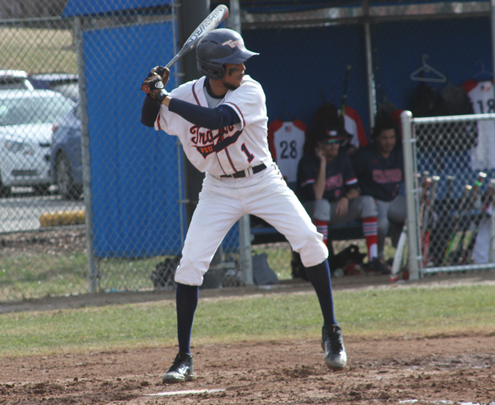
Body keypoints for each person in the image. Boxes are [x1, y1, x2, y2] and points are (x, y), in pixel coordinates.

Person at [140, 28, 347, 383]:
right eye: (234, 63)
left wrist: (164, 97)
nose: (243, 66)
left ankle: (331, 330)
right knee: (189, 266)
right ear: (215, 70)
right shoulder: (186, 93)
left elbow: (217, 119)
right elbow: (149, 119)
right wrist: (153, 92)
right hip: (218, 188)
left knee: (311, 242)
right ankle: (183, 357)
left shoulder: (251, 90)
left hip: (262, 180)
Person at [296, 125, 388, 274]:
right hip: (312, 211)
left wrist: (346, 198)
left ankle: (373, 259)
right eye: (330, 143)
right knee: (323, 204)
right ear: (320, 145)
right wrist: (323, 163)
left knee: (367, 202)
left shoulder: (343, 158)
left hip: (337, 208)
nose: (335, 146)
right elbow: (318, 196)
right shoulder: (308, 162)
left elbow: (355, 189)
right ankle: (322, 261)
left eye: (337, 142)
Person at [351, 113, 407, 261]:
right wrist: (364, 195)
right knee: (381, 224)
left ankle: (415, 256)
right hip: (376, 201)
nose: (389, 142)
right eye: (384, 138)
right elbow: (350, 180)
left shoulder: (400, 153)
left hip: (394, 200)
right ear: (376, 138)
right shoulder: (365, 155)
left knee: (422, 214)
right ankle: (378, 258)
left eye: (392, 137)